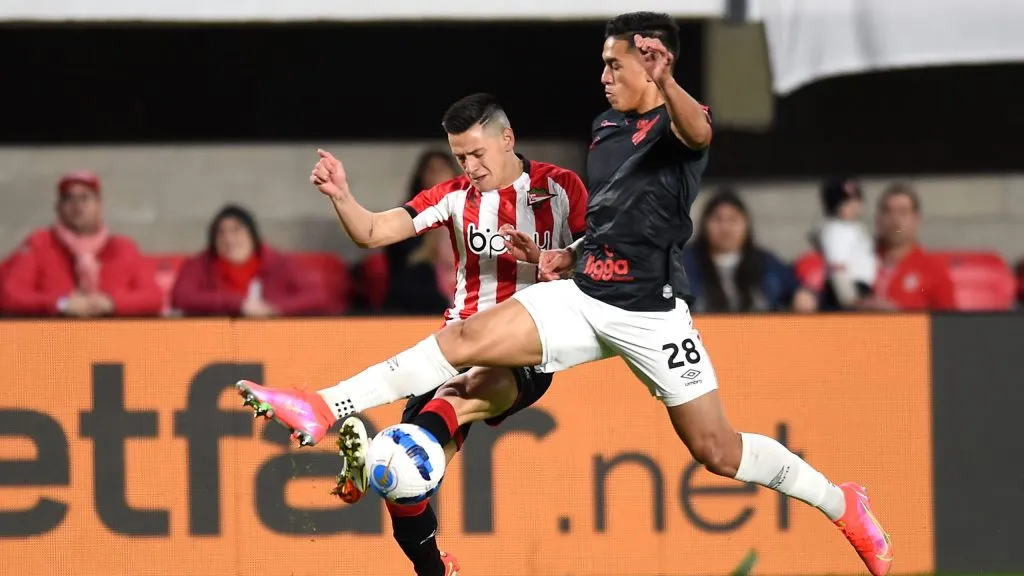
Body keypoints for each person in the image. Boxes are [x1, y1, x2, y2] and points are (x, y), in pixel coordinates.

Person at [235, 13, 891, 576]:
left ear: (651, 63)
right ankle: (321, 407)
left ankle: (841, 503)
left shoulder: (678, 126)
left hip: (651, 314)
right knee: (461, 343)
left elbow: (700, 134)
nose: (603, 76)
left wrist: (668, 86)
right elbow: (609, 224)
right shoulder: (605, 131)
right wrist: (565, 255)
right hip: (584, 296)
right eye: (602, 64)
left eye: (614, 64)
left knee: (716, 452)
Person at [241, 93, 587, 576]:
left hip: (527, 348)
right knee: (403, 474)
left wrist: (558, 266)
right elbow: (374, 232)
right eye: (460, 156)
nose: (469, 166)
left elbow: (598, 260)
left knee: (460, 393)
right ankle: (433, 567)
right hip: (454, 344)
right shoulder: (454, 196)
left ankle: (322, 407)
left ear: (507, 139)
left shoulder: (562, 187)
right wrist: (343, 196)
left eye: (477, 154)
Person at [0, 170, 162, 317]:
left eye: (85, 198)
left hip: (114, 339)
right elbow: (10, 295)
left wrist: (110, 303)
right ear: (58, 207)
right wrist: (61, 304)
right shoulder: (39, 243)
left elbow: (154, 297)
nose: (77, 205)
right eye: (68, 198)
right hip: (52, 340)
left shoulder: (123, 247)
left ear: (99, 206)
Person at [171, 204, 329, 317]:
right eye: (221, 233)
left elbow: (317, 296)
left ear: (252, 235)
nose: (229, 238)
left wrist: (274, 309)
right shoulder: (200, 265)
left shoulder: (280, 264)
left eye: (236, 230)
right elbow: (182, 297)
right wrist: (238, 304)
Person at [683, 189, 817, 313]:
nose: (725, 227)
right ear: (704, 225)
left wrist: (803, 297)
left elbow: (797, 289)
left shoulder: (766, 263)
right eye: (717, 219)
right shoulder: (685, 264)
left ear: (746, 224)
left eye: (733, 219)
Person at [381, 150, 459, 315]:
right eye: (432, 170)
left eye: (443, 169)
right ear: (420, 178)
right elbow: (399, 267)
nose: (438, 175)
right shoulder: (406, 218)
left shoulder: (471, 215)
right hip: (419, 307)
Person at [866, 182, 956, 311]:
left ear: (916, 219)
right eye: (888, 211)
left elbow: (950, 325)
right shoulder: (857, 261)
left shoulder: (933, 270)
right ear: (878, 218)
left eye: (902, 213)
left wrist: (900, 319)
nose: (894, 220)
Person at [815, 177, 878, 310]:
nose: (855, 204)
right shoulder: (834, 230)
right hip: (852, 292)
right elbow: (837, 269)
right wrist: (851, 300)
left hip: (866, 288)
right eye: (848, 200)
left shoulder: (855, 228)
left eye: (856, 198)